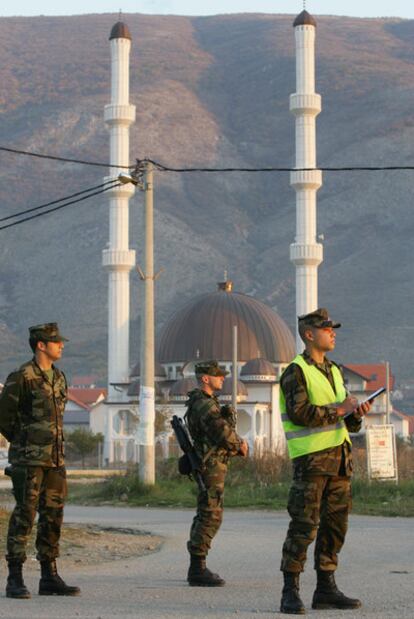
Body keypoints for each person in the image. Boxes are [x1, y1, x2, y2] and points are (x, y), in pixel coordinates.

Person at [279, 308, 371, 614]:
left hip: (340, 462)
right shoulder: (295, 371)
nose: (332, 333)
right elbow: (300, 413)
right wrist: (340, 408)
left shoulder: (334, 370)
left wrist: (355, 415)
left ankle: (325, 588)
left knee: (335, 527)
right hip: (312, 463)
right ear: (309, 334)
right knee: (304, 527)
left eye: (333, 329)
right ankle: (290, 590)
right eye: (327, 328)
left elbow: (345, 422)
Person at [0, 323, 80, 599]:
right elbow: (4, 418)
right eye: (56, 341)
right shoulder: (21, 376)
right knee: (25, 514)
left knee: (53, 515)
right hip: (29, 460)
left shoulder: (59, 377)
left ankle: (49, 575)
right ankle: (15, 577)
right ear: (41, 345)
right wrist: (24, 443)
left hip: (56, 460)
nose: (62, 346)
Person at [185, 360, 249, 586]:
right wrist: (239, 444)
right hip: (210, 465)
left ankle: (197, 565)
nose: (222, 377)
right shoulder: (204, 404)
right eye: (217, 375)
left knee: (207, 512)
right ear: (205, 378)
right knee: (211, 513)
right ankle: (198, 568)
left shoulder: (206, 402)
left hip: (213, 464)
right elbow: (221, 432)